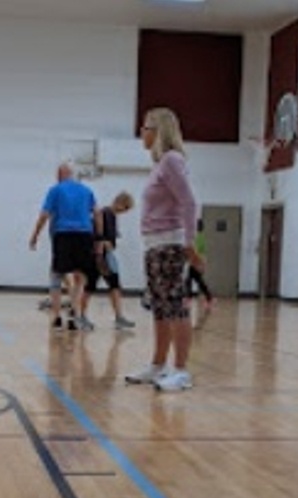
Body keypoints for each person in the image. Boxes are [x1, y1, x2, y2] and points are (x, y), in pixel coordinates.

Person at [124, 107, 203, 392]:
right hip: (154, 245)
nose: (142, 134)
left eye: (146, 128)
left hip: (170, 244)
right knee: (160, 308)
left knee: (175, 308)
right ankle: (158, 365)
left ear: (159, 131)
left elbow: (189, 203)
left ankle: (181, 370)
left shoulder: (172, 160)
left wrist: (190, 244)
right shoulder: (159, 165)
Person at [28, 163, 97, 331]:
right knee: (80, 276)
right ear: (71, 174)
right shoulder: (86, 191)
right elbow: (98, 213)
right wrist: (98, 238)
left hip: (63, 235)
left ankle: (57, 316)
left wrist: (35, 236)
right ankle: (74, 314)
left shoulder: (55, 190)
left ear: (59, 175)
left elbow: (44, 215)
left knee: (56, 275)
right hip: (84, 235)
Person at [83, 191, 136, 330]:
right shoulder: (104, 213)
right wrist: (104, 243)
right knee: (90, 287)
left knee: (114, 286)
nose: (124, 211)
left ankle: (119, 317)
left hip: (106, 256)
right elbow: (95, 234)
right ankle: (80, 315)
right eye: (125, 208)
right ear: (120, 203)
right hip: (99, 257)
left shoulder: (111, 215)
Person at [185, 218, 215, 310]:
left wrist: (197, 262)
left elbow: (197, 251)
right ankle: (209, 298)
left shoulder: (198, 237)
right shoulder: (200, 236)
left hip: (196, 262)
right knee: (197, 280)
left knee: (191, 280)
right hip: (197, 262)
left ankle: (189, 299)